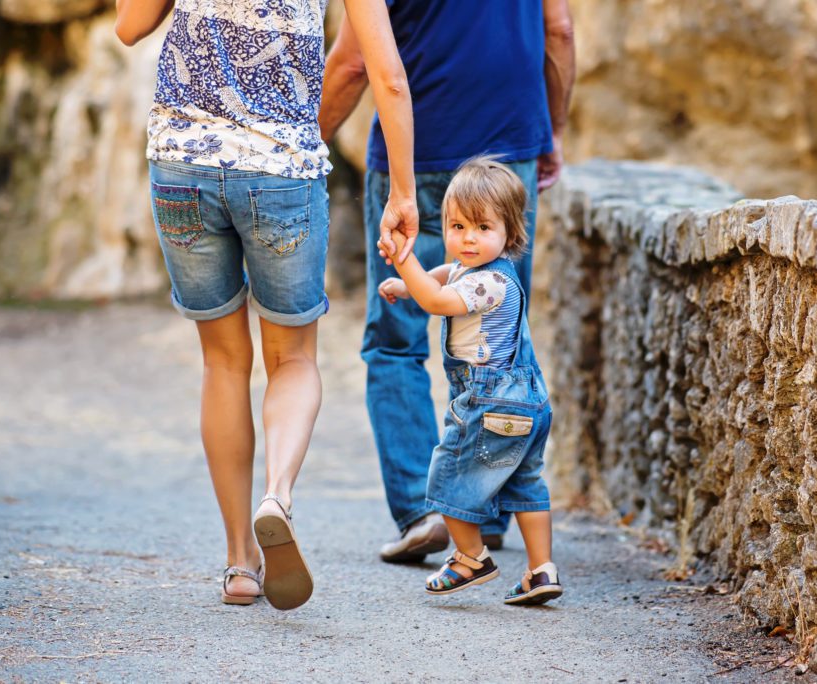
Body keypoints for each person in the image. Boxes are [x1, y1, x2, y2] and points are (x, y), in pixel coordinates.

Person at [114, 0, 418, 610]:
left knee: (223, 361)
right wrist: (403, 193)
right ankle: (276, 495)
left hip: (181, 166)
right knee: (294, 360)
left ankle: (239, 563)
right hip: (279, 169)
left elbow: (129, 25)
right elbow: (386, 75)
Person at [319, 0, 575, 562]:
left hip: (417, 155)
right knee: (503, 338)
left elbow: (353, 63)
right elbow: (557, 32)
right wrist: (552, 127)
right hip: (511, 154)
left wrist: (306, 143)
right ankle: (485, 508)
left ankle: (424, 510)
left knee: (396, 344)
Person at [377, 156, 561, 603]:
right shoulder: (482, 271)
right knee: (523, 483)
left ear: (511, 232)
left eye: (482, 227)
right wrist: (410, 285)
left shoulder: (491, 284)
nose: (469, 239)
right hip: (526, 400)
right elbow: (448, 277)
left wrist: (405, 267)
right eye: (457, 227)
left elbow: (441, 300)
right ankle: (541, 570)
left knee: (446, 475)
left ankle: (470, 557)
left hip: (491, 402)